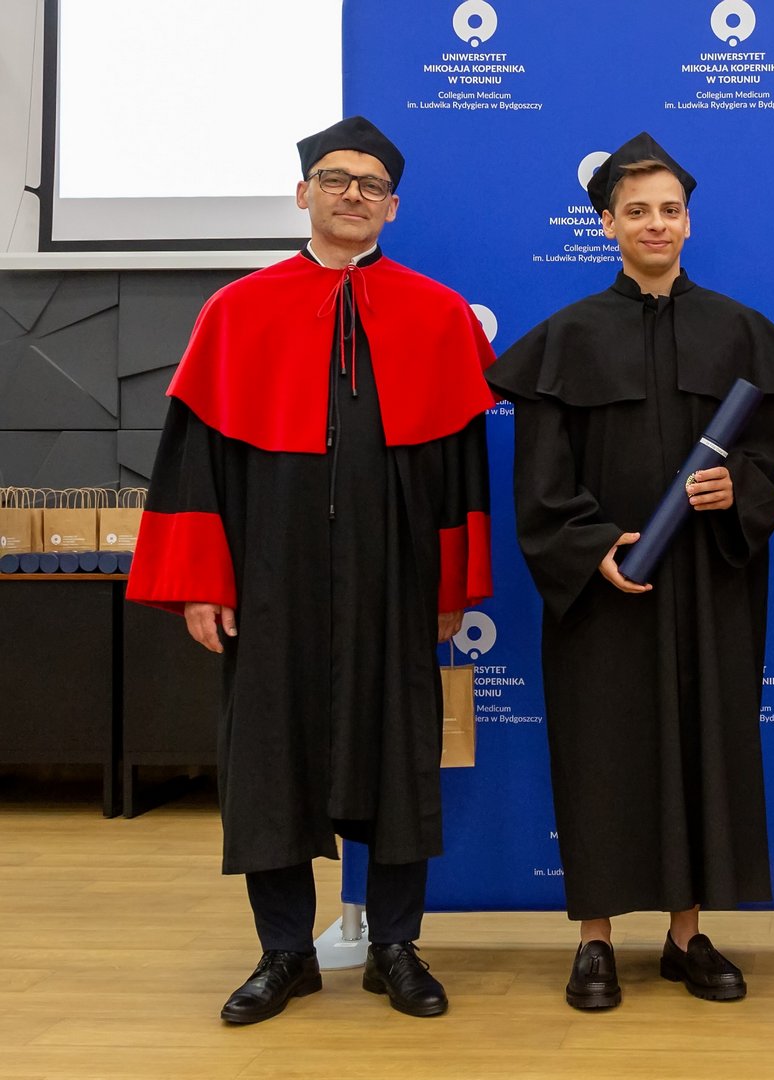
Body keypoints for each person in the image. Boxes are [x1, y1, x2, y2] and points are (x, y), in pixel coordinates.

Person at [127, 116, 496, 1024]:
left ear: (392, 207)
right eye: (335, 179)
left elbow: (461, 468)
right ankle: (285, 951)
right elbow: (195, 463)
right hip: (270, 571)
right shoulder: (236, 310)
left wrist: (452, 583)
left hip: (396, 571)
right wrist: (203, 579)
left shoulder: (437, 314)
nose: (352, 194)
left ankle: (395, 946)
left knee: (399, 752)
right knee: (269, 756)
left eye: (371, 185)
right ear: (303, 193)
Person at [485, 131, 774, 1010]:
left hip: (710, 583)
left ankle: (686, 934)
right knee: (601, 755)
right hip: (601, 593)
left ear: (689, 222)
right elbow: (540, 482)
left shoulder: (738, 331)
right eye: (636, 211)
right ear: (607, 225)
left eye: (670, 209)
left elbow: (771, 466)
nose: (655, 223)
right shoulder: (566, 337)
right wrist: (591, 548)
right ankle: (594, 940)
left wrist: (736, 490)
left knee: (704, 744)